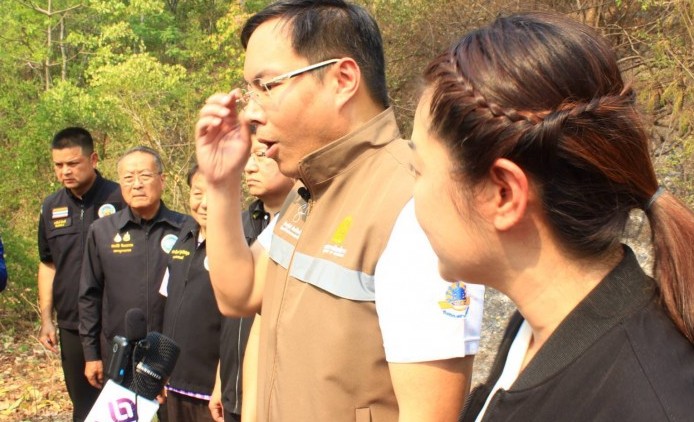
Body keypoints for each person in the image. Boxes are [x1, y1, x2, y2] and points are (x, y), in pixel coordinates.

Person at [195, 1, 485, 420]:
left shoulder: (414, 205)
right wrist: (222, 183)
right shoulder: (309, 191)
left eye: (267, 86)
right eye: (249, 91)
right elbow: (237, 294)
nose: (252, 112)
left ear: (343, 80)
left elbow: (429, 413)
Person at [409, 12, 694, 422]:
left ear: (503, 194)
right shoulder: (538, 326)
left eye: (418, 170)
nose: (413, 195)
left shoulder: (646, 404)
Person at [79, 146, 189, 390]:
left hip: (172, 354)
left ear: (162, 180)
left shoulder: (186, 229)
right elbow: (89, 295)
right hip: (119, 353)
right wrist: (91, 353)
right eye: (128, 178)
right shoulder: (102, 231)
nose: (137, 184)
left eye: (145, 176)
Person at [37, 127, 124, 421]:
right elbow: (48, 264)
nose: (65, 171)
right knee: (84, 409)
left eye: (73, 163)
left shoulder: (121, 198)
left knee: (124, 408)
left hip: (116, 324)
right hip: (72, 325)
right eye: (59, 165)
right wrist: (47, 319)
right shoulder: (51, 207)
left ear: (93, 159)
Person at [207, 134, 294, 422]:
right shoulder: (238, 224)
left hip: (274, 397)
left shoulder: (300, 221)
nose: (249, 167)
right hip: (233, 390)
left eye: (260, 156)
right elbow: (230, 318)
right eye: (247, 158)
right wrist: (221, 381)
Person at [159, 164, 221, 421]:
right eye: (197, 193)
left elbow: (240, 326)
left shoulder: (239, 243)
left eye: (214, 194)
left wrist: (224, 382)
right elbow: (168, 306)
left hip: (212, 391)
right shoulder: (183, 239)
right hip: (174, 383)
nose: (204, 204)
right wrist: (159, 368)